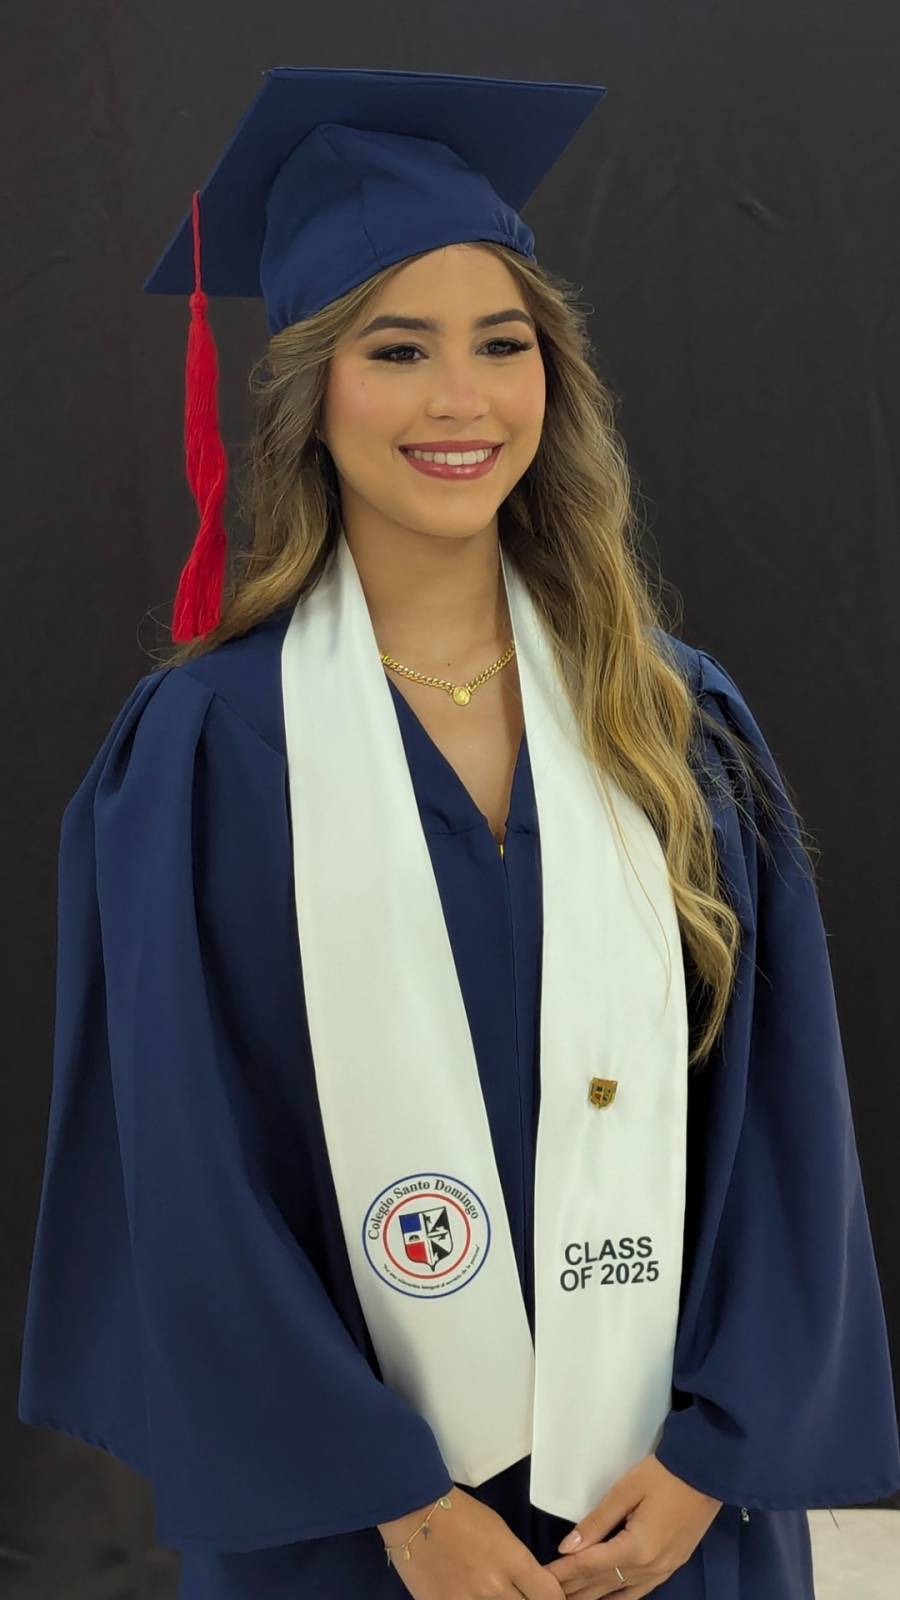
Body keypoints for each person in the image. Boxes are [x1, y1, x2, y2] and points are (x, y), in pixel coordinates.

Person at [17, 65, 900, 1600]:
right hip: (350, 1527)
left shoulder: (671, 717)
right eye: (397, 349)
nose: (461, 401)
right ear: (312, 391)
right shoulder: (207, 749)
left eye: (503, 344)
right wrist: (400, 1502)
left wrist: (715, 1453)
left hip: (659, 1510)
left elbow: (780, 1121)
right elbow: (183, 1167)